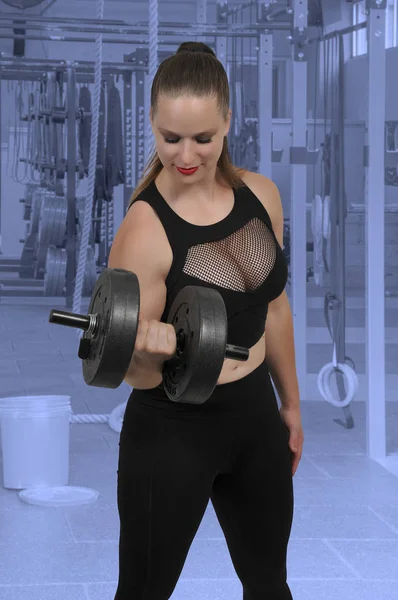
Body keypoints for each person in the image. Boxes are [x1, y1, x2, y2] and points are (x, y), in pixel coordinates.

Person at [108, 41, 304, 600]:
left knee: (269, 585)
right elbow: (135, 372)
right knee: (143, 592)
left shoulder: (261, 196)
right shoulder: (144, 228)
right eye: (170, 138)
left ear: (227, 123)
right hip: (173, 430)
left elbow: (275, 307)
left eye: (203, 138)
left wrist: (289, 405)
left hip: (255, 420)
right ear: (152, 125)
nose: (186, 154)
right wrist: (147, 349)